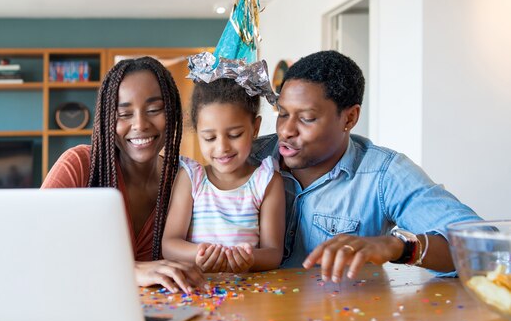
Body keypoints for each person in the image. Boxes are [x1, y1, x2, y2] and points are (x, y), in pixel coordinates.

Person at [250, 50, 481, 282]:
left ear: (350, 118)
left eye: (307, 118)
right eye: (282, 113)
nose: (286, 130)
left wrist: (398, 246)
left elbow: (481, 248)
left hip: (338, 315)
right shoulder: (249, 158)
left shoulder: (383, 173)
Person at [42, 56, 206, 294]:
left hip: (168, 317)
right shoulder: (79, 165)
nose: (140, 124)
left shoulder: (187, 180)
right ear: (108, 119)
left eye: (154, 110)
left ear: (172, 113)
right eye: (124, 113)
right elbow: (34, 247)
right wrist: (130, 270)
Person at [162, 76, 285, 273]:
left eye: (235, 135)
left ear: (255, 128)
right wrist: (201, 255)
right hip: (199, 293)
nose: (222, 147)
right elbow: (169, 244)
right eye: (209, 138)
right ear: (198, 132)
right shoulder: (191, 178)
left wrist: (248, 259)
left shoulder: (267, 181)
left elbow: (273, 253)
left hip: (251, 296)